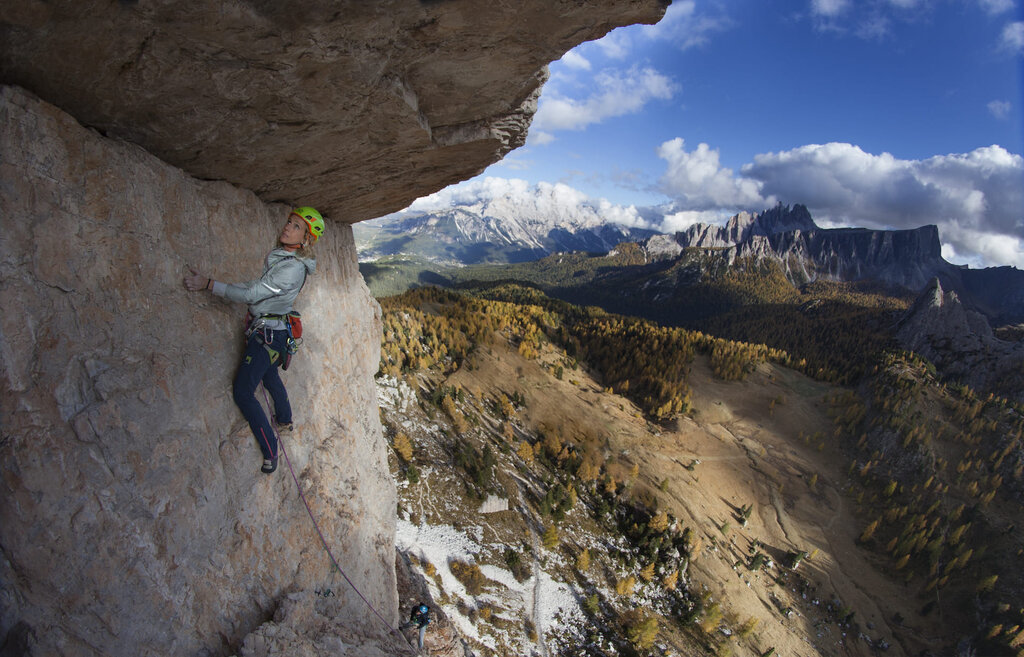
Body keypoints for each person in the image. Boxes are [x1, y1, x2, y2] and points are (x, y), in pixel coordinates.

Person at [184, 207, 324, 474]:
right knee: (270, 375)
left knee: (243, 392)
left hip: (268, 334)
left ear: (305, 239)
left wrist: (210, 284)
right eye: (289, 222)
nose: (287, 227)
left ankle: (271, 448)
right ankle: (284, 420)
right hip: (276, 332)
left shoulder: (292, 269)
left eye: (296, 226)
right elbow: (259, 286)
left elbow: (253, 293)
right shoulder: (285, 259)